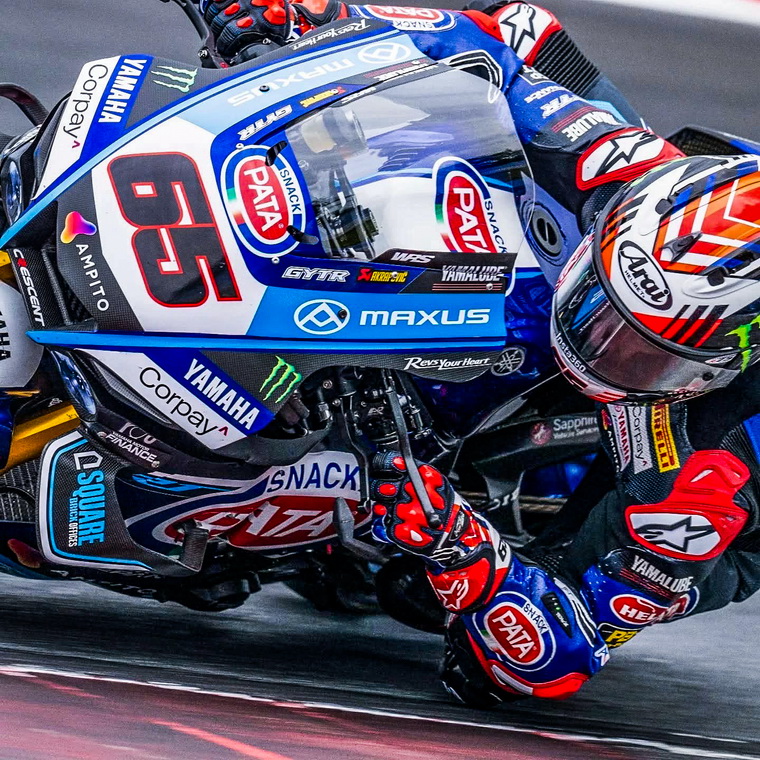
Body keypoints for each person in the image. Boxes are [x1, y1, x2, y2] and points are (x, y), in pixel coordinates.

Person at [202, 0, 760, 704]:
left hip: (679, 476)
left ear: (717, 365)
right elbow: (479, 40)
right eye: (597, 302)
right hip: (673, 222)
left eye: (635, 349)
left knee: (440, 606)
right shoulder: (626, 173)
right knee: (524, 32)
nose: (593, 342)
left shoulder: (703, 487)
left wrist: (464, 550)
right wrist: (310, 16)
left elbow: (551, 663)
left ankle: (410, 526)